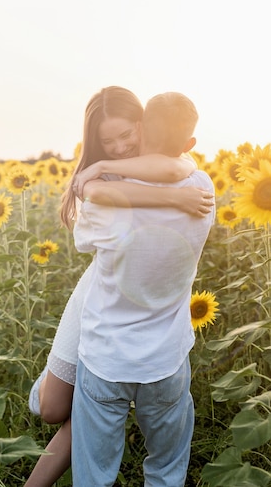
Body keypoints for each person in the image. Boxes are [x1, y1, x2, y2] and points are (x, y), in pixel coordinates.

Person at [25, 87, 213, 487]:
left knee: (90, 457)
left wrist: (107, 175)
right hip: (125, 314)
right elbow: (173, 173)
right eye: (108, 142)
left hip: (108, 339)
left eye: (128, 135)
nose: (121, 147)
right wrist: (173, 200)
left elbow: (165, 174)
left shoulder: (109, 196)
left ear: (144, 127)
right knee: (53, 408)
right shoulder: (202, 186)